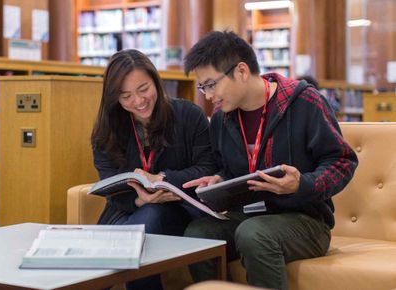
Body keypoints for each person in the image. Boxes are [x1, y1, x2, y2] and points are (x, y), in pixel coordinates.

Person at [182, 31, 358, 290]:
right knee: (198, 235)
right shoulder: (221, 118)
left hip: (305, 220)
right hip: (247, 217)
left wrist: (301, 185)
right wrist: (219, 179)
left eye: (211, 84)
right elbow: (227, 168)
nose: (208, 96)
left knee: (254, 233)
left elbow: (342, 161)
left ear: (241, 71)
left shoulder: (304, 101)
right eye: (203, 87)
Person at [91, 49, 217, 290]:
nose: (138, 102)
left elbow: (207, 167)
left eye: (143, 89)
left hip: (179, 209)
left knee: (147, 222)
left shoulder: (189, 115)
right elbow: (109, 186)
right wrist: (139, 200)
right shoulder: (106, 132)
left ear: (156, 82)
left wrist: (162, 178)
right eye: (125, 96)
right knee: (140, 223)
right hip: (126, 211)